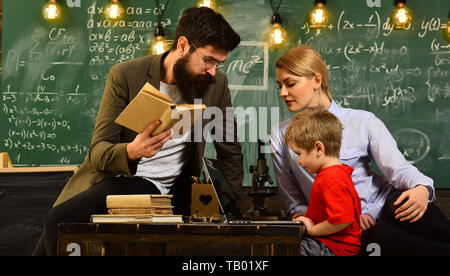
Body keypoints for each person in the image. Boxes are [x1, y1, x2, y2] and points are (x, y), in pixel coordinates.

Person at [33, 7, 244, 256]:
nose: (213, 72)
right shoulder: (125, 75)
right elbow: (98, 153)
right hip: (127, 181)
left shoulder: (216, 84)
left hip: (180, 190)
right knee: (56, 220)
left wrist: (238, 210)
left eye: (219, 64)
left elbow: (229, 151)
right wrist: (132, 151)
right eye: (208, 60)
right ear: (183, 45)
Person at [270, 46, 450, 256]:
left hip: (384, 204)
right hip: (344, 226)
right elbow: (294, 203)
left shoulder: (363, 121)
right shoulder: (281, 134)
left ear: (317, 81)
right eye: (280, 85)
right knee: (386, 239)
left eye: (290, 83)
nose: (283, 92)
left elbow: (399, 169)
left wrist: (422, 188)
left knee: (425, 215)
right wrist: (343, 220)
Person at [284, 107, 362, 256]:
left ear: (319, 148)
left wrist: (312, 229)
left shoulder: (332, 177)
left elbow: (341, 220)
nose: (299, 161)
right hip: (327, 244)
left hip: (334, 248)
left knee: (283, 250)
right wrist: (309, 220)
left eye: (299, 154)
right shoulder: (333, 173)